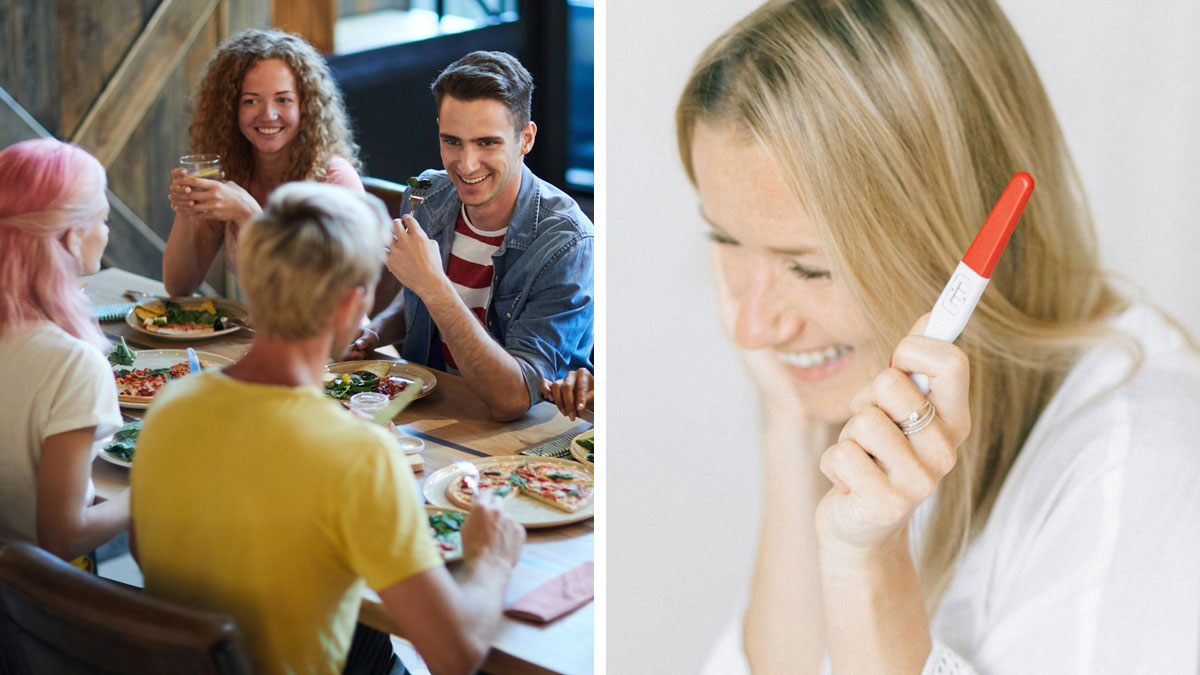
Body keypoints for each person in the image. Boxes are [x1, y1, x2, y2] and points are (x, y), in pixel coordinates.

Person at [675, 1, 1200, 673]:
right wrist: (792, 426)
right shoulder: (874, 396)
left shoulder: (1140, 477)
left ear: (961, 236)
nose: (751, 327)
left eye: (808, 266)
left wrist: (868, 561)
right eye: (725, 240)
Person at [131, 183, 524, 675]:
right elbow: (455, 654)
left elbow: (142, 554)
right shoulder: (359, 455)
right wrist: (493, 560)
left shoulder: (170, 405)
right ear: (348, 305)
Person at [349, 51, 594, 422]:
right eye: (452, 141)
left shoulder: (568, 242)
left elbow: (513, 398)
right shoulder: (426, 196)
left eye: (487, 143)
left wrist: (433, 285)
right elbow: (416, 293)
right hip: (432, 412)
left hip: (523, 442)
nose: (466, 164)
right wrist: (376, 331)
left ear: (525, 138)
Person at [0, 138, 128, 567]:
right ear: (73, 237)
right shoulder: (73, 363)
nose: (106, 232)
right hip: (35, 609)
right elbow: (63, 535)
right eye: (104, 219)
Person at [163, 28, 364, 297]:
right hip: (256, 334)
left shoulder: (334, 180)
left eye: (283, 99)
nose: (268, 115)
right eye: (250, 101)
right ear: (230, 109)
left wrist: (250, 215)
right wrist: (186, 210)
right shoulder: (233, 171)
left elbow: (327, 300)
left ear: (306, 106)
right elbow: (179, 286)